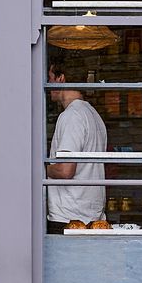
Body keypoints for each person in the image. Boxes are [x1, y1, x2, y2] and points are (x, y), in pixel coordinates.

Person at [46, 64, 108, 229]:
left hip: (69, 217)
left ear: (61, 78)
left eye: (50, 79)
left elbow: (66, 170)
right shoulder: (93, 115)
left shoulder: (71, 116)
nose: (47, 84)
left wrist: (41, 167)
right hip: (92, 215)